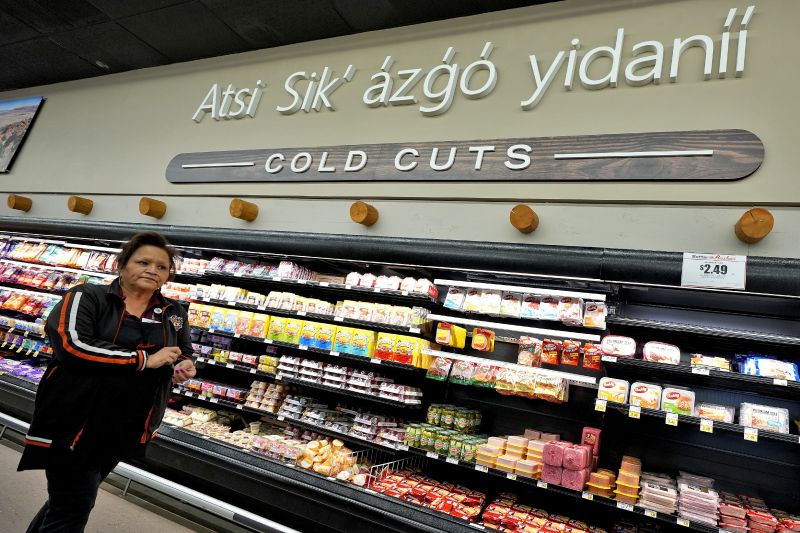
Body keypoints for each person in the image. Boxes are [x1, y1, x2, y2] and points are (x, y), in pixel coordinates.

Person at [19, 231, 197, 532]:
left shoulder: (173, 312)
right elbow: (71, 344)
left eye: (162, 266)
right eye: (143, 261)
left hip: (126, 426)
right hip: (74, 422)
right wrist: (143, 360)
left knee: (69, 502)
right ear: (122, 265)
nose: (153, 270)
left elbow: (184, 350)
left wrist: (184, 365)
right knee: (73, 505)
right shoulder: (86, 296)